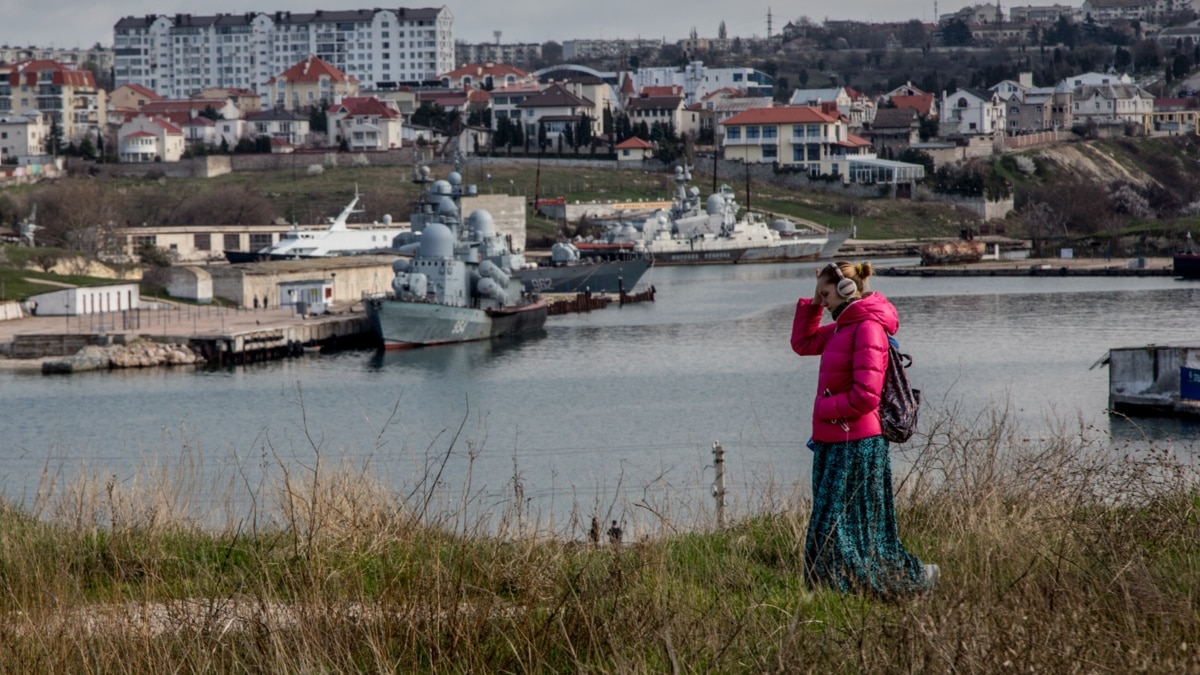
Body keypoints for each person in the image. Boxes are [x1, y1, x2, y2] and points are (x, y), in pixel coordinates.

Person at [790, 261, 936, 598]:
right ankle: (834, 594)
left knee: (836, 527)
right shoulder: (843, 326)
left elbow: (866, 396)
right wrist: (812, 301)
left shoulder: (867, 328)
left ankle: (899, 584)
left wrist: (822, 408)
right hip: (833, 440)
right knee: (835, 527)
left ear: (844, 291)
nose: (822, 301)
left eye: (825, 294)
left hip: (856, 442)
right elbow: (803, 342)